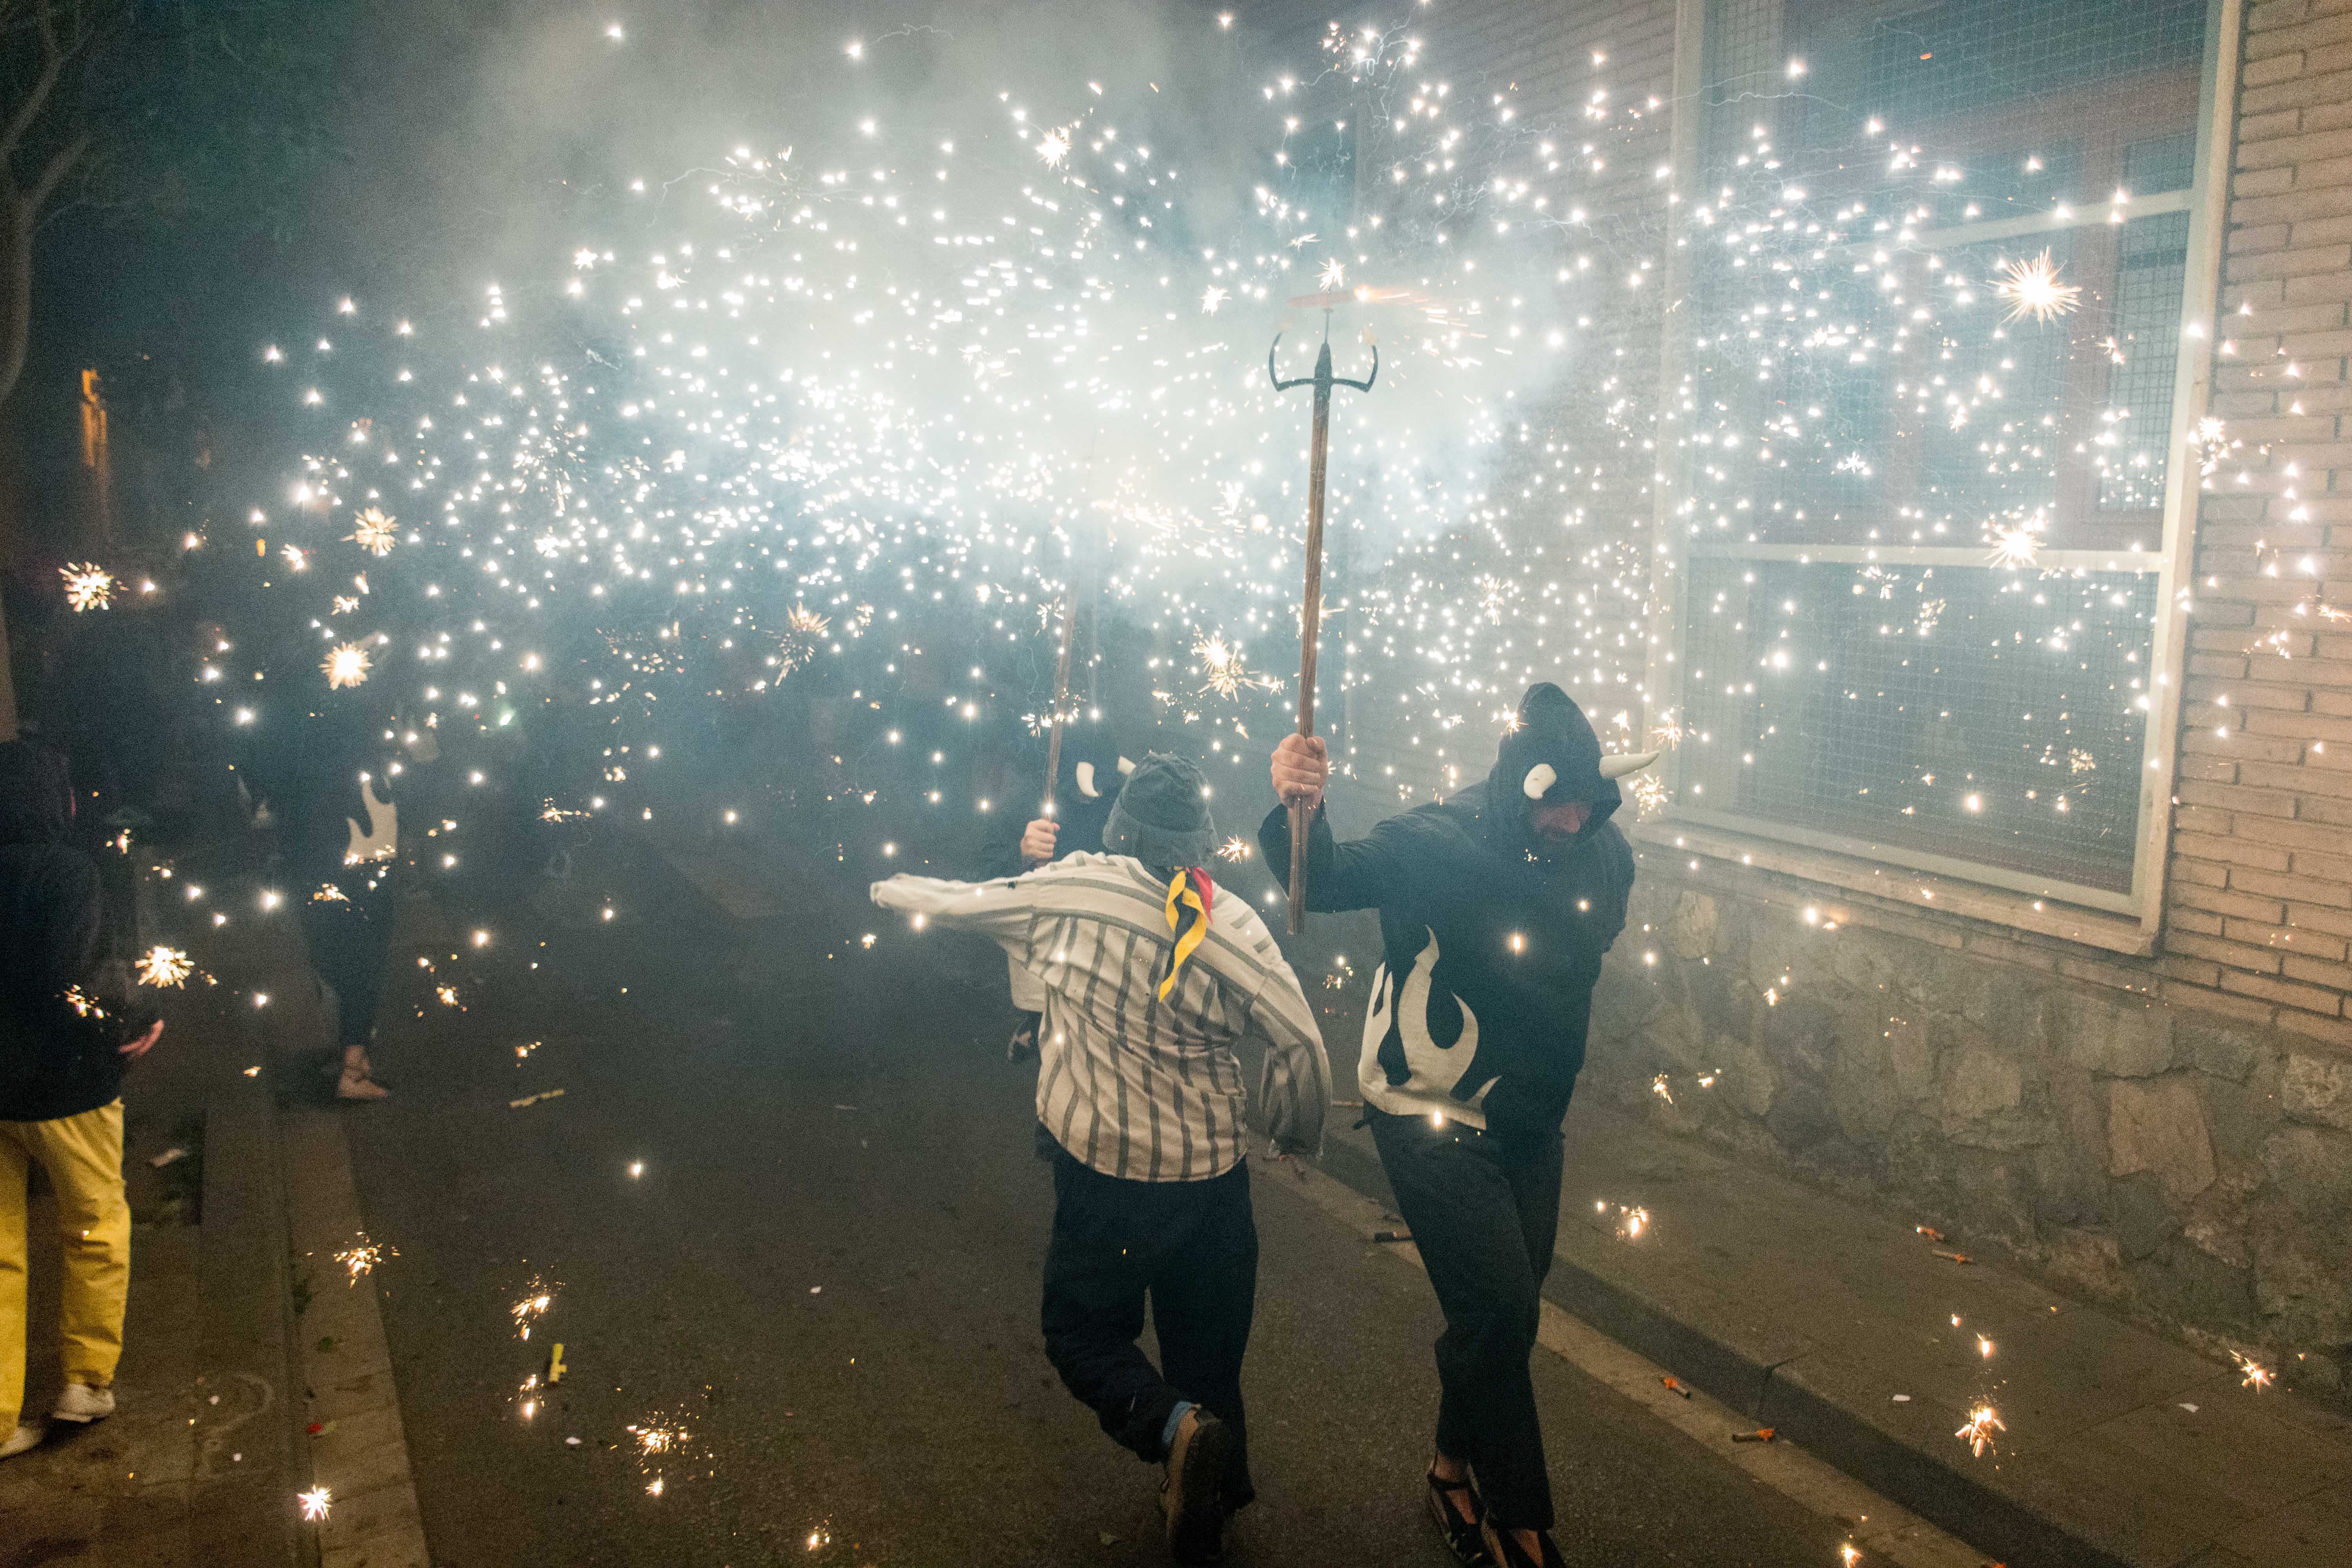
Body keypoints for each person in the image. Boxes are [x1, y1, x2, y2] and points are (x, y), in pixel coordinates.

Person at [875, 753, 1330, 1564]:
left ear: (1121, 828)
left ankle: (1173, 1431)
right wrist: (1292, 1130)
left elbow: (963, 904)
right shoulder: (1234, 924)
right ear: (1201, 842)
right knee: (1208, 1353)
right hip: (1213, 1187)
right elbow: (1300, 1040)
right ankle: (1212, 1504)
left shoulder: (1073, 888)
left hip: (1108, 1179)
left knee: (1080, 1331)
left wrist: (892, 889)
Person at [1261, 683, 1648, 1568]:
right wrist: (1298, 807)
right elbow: (1320, 877)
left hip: (1528, 1120)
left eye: (1588, 801)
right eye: (1557, 801)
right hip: (1423, 1105)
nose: (1573, 818)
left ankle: (1448, 1473)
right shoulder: (1437, 841)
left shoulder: (1605, 856)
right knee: (1500, 1303)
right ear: (1520, 789)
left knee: (1502, 1317)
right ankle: (1520, 1522)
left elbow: (1595, 934)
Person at [0, 741, 163, 1460]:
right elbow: (69, 978)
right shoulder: (67, 872)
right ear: (54, 798)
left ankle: (0, 1416)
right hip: (65, 1084)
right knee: (94, 1224)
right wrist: (135, 1012)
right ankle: (84, 1381)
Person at [976, 739, 1133, 1058]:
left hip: (1101, 936)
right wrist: (1022, 854)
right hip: (1047, 932)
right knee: (1044, 1006)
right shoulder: (1029, 802)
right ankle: (1036, 1029)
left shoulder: (1124, 805)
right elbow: (986, 873)